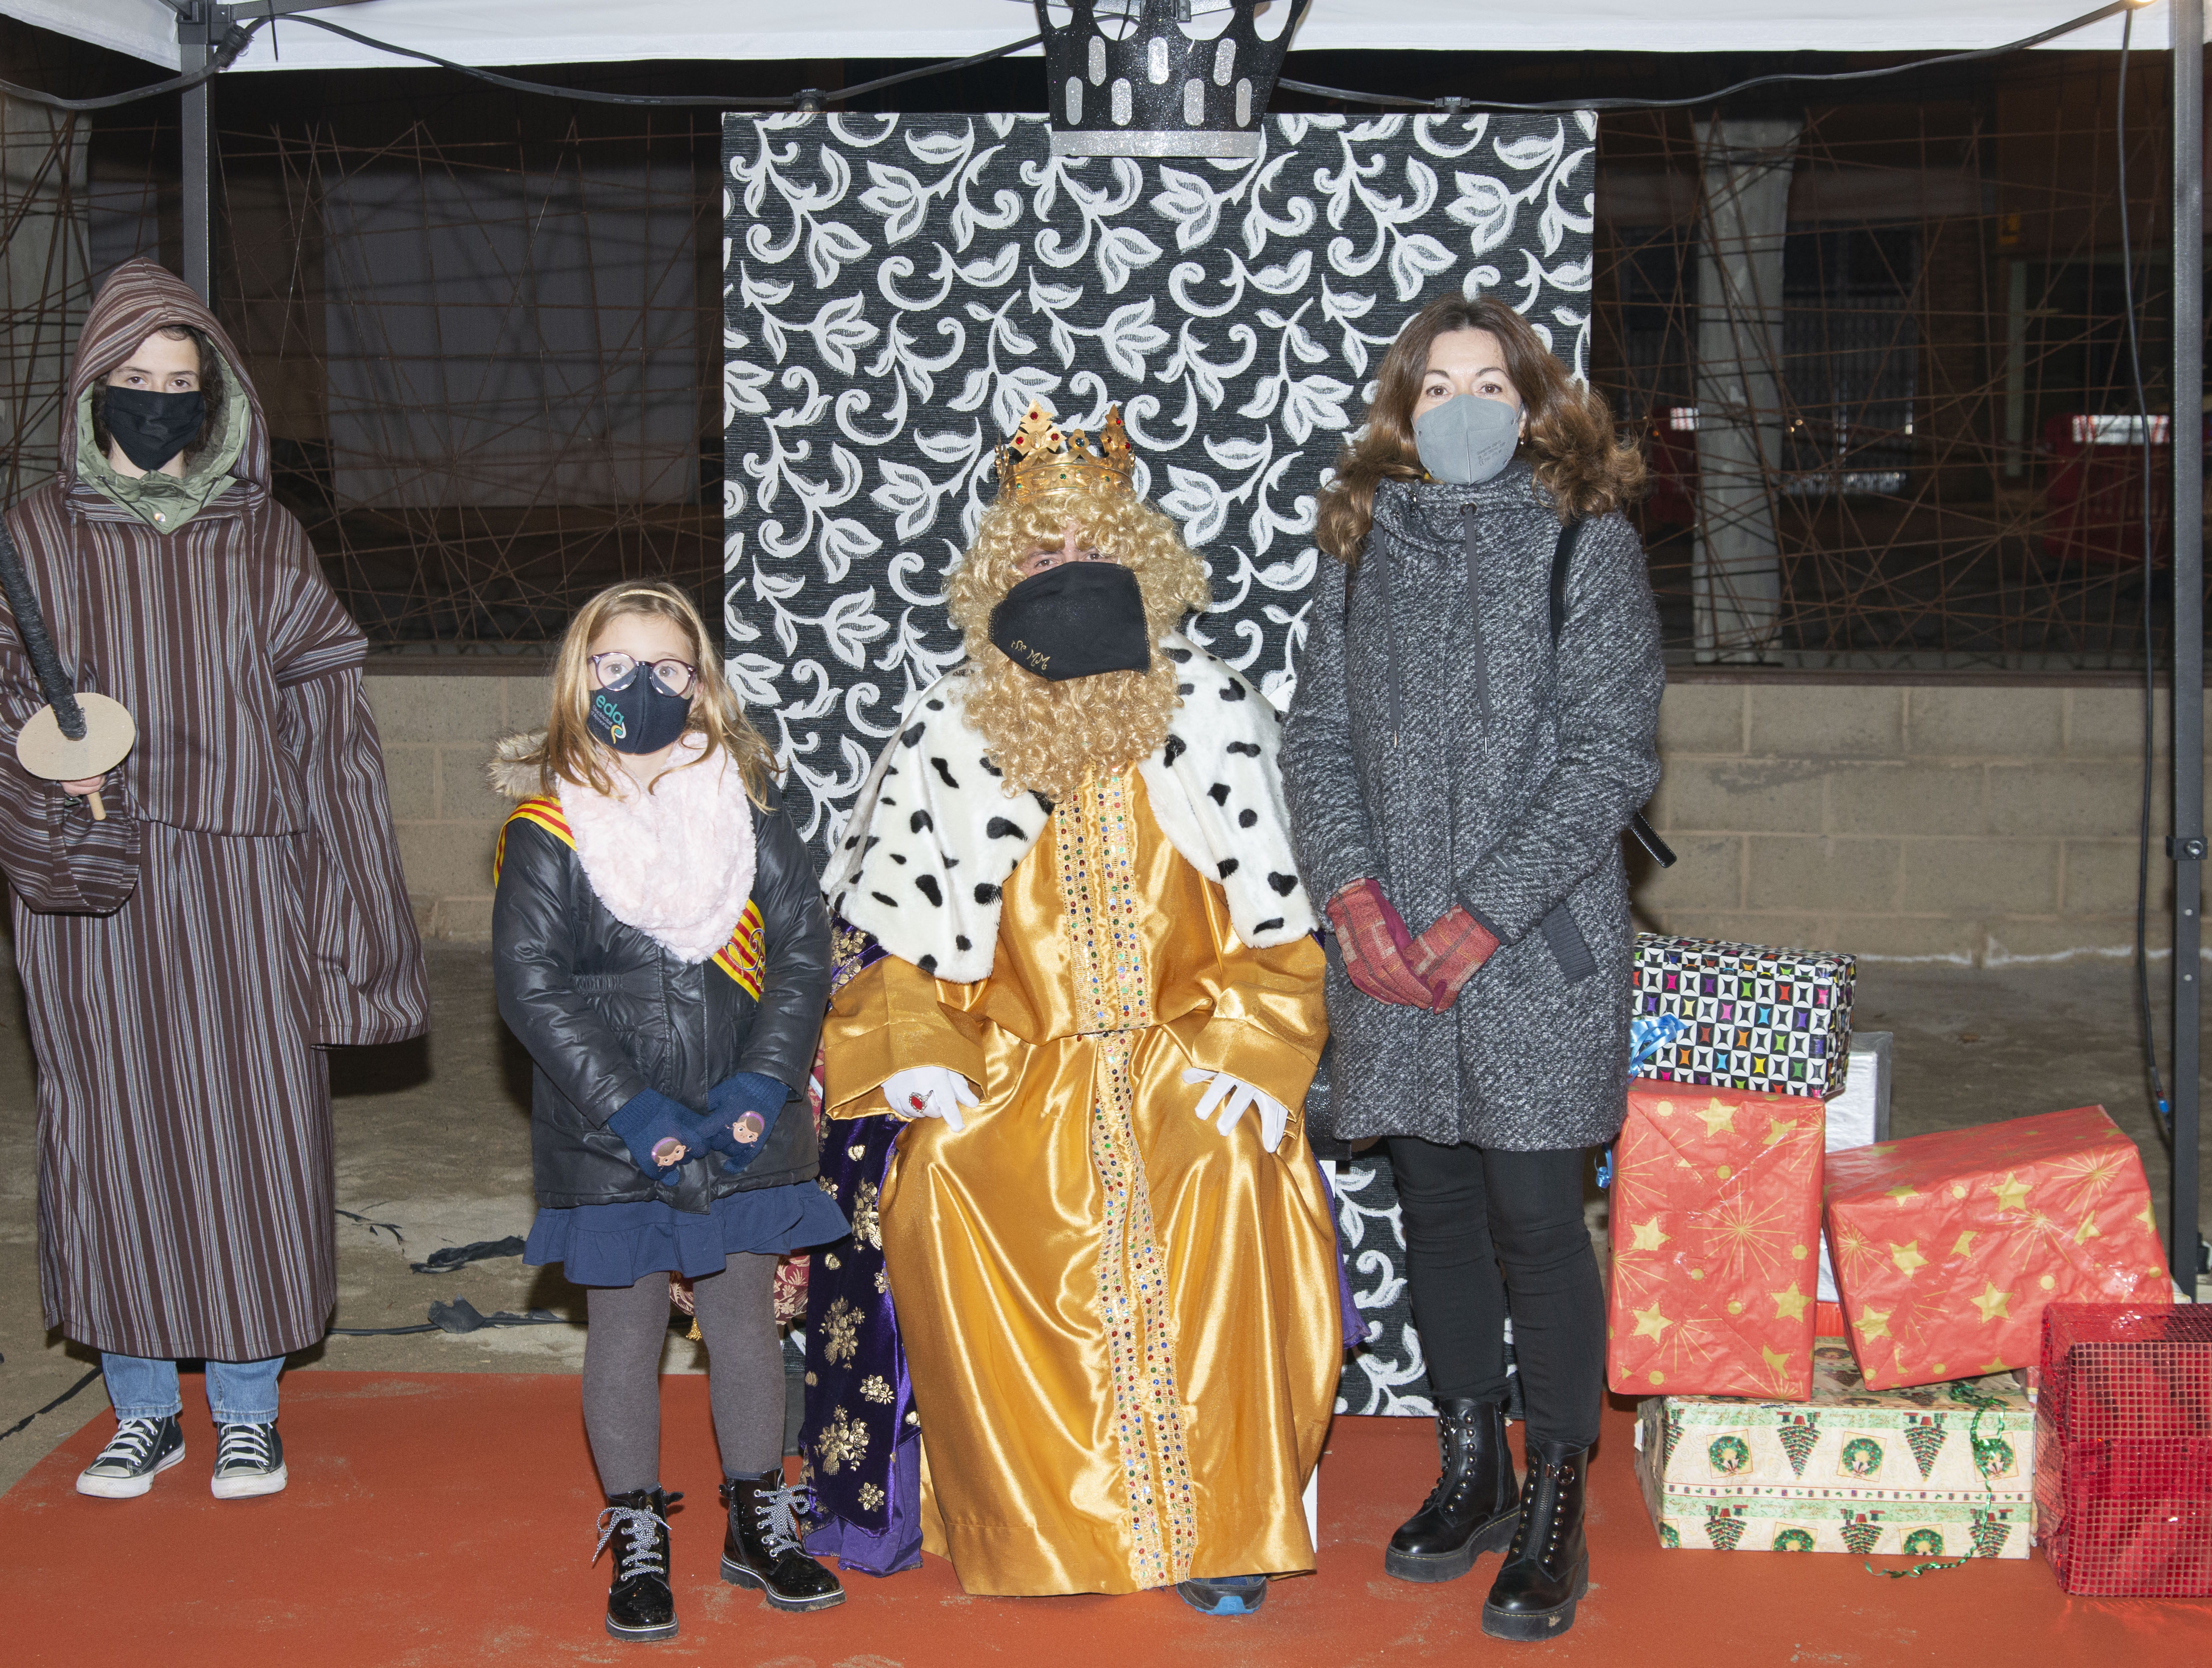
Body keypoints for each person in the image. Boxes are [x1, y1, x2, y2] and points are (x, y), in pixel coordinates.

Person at [807, 404, 1344, 1613]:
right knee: (944, 1177)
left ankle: (1223, 1525)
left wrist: (1256, 1045)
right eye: (1040, 551)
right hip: (1017, 1065)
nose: (1065, 569)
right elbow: (891, 949)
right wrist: (916, 1051)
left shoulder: (1211, 712)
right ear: (1001, 573)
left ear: (1136, 559)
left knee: (1225, 1169)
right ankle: (1037, 1524)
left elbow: (1281, 928)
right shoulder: (949, 729)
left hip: (1183, 1049)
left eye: (1089, 546)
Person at [0, 258, 428, 1501]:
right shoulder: (37, 539)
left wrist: (349, 914)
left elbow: (330, 734)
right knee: (113, 1135)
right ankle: (144, 1407)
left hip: (245, 881)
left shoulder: (263, 539)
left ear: (217, 402)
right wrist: (59, 804)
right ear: (90, 391)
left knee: (253, 1133)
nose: (156, 402)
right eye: (134, 378)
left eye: (179, 383)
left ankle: (250, 1410)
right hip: (98, 888)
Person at [1280, 294, 1662, 1642]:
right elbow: (1316, 737)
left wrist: (1484, 916)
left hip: (1534, 957)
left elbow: (1612, 754)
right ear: (1401, 411)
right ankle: (1472, 1464)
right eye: (1434, 386)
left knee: (1537, 1225)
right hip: (1389, 957)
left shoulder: (1586, 542)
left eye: (1488, 383)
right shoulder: (1360, 545)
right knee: (1435, 1213)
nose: (1461, 407)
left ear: (1536, 402)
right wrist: (1349, 895)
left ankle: (1556, 1495)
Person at [489, 580, 849, 1644]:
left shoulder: (748, 809)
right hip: (609, 1133)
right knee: (626, 1329)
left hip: (743, 1122)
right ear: (580, 676)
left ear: (700, 688)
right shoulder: (548, 827)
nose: (638, 686)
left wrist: (763, 1084)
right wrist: (633, 1111)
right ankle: (638, 1532)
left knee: (743, 1325)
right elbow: (531, 988)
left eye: (665, 668)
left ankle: (756, 1519)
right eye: (614, 666)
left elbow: (802, 950)